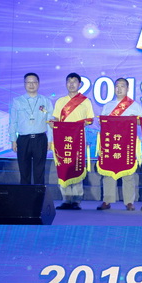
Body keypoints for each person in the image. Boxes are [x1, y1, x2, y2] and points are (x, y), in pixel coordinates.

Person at [97, 78, 142, 211]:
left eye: (122, 86)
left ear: (127, 89)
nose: (119, 89)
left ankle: (129, 202)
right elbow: (102, 123)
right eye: (117, 86)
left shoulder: (134, 105)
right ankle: (107, 200)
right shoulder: (108, 106)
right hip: (110, 144)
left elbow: (141, 122)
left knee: (128, 172)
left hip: (127, 144)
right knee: (108, 171)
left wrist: (134, 119)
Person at [52, 72, 95, 210]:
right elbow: (56, 119)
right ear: (66, 84)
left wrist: (82, 123)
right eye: (69, 82)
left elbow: (90, 119)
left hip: (78, 139)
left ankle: (76, 200)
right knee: (63, 167)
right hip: (62, 140)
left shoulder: (85, 101)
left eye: (74, 82)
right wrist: (53, 123)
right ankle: (66, 199)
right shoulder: (60, 101)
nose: (71, 84)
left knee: (77, 167)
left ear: (79, 84)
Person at [9, 73, 53, 185]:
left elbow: (50, 122)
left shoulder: (45, 101)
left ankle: (39, 195)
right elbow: (13, 122)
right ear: (24, 84)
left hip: (40, 139)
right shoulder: (17, 101)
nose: (31, 85)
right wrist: (13, 140)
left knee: (39, 172)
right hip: (23, 140)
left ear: (38, 84)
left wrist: (50, 140)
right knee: (24, 172)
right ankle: (25, 195)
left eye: (34, 82)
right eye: (28, 82)